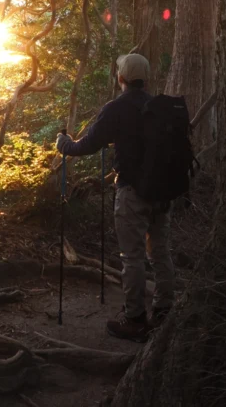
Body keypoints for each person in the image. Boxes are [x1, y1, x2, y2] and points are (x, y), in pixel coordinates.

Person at [56, 53, 173, 341]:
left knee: (132, 256)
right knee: (160, 252)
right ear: (145, 78)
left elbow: (87, 145)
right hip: (162, 191)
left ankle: (134, 319)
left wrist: (64, 144)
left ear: (120, 78)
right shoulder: (159, 106)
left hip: (132, 193)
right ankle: (164, 311)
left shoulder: (116, 109)